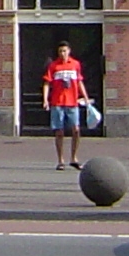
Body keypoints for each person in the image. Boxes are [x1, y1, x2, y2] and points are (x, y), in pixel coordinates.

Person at [42, 40, 87, 170]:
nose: (63, 53)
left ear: (69, 51)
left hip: (72, 102)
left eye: (65, 51)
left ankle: (74, 157)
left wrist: (85, 97)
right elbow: (47, 83)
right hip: (57, 103)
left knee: (76, 130)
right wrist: (45, 99)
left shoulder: (75, 64)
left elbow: (79, 82)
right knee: (59, 132)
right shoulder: (53, 66)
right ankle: (60, 160)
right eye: (60, 51)